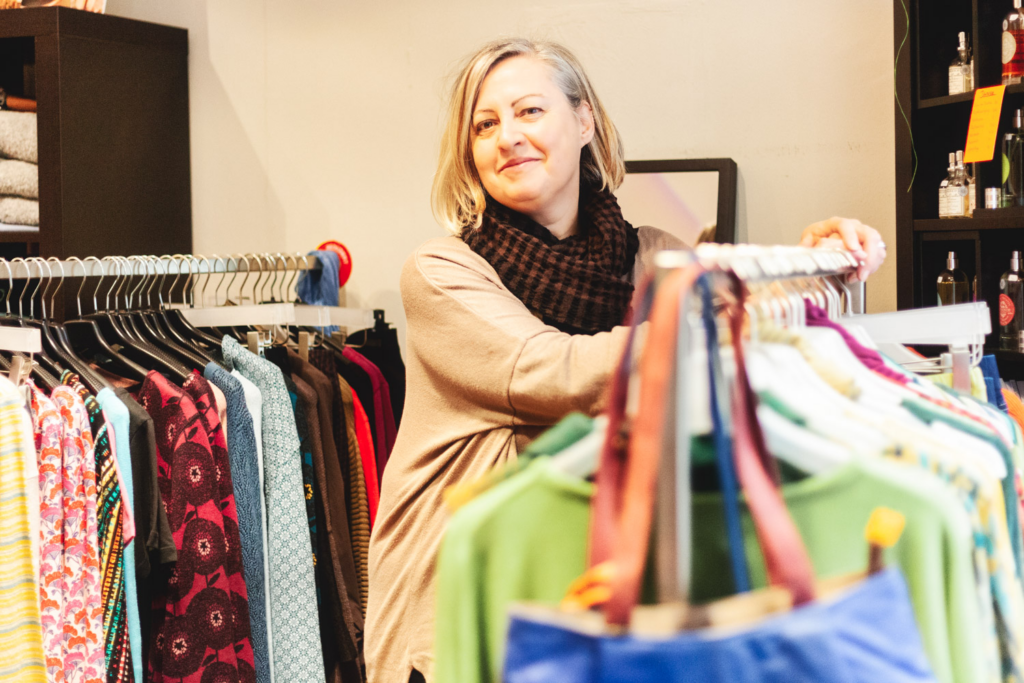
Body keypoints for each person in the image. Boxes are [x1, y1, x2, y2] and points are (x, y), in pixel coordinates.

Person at [364, 37, 886, 683]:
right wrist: (722, 312)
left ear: (584, 120)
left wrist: (824, 261)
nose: (508, 137)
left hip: (593, 595)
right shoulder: (441, 272)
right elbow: (554, 371)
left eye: (529, 111)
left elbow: (745, 320)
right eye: (485, 124)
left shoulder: (654, 256)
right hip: (457, 611)